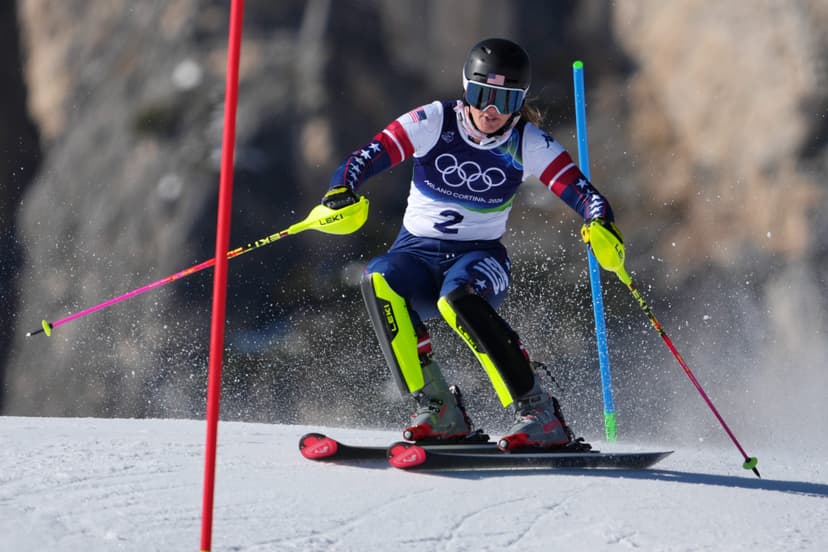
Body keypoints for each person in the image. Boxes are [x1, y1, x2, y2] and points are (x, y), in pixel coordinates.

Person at [320, 38, 625, 451]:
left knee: (457, 298)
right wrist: (341, 189)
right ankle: (438, 408)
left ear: (520, 103)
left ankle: (540, 413)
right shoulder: (434, 121)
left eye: (505, 100)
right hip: (414, 257)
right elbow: (365, 157)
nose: (491, 110)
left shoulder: (527, 142)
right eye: (482, 95)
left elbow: (586, 195)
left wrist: (599, 222)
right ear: (466, 89)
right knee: (378, 279)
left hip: (478, 258)